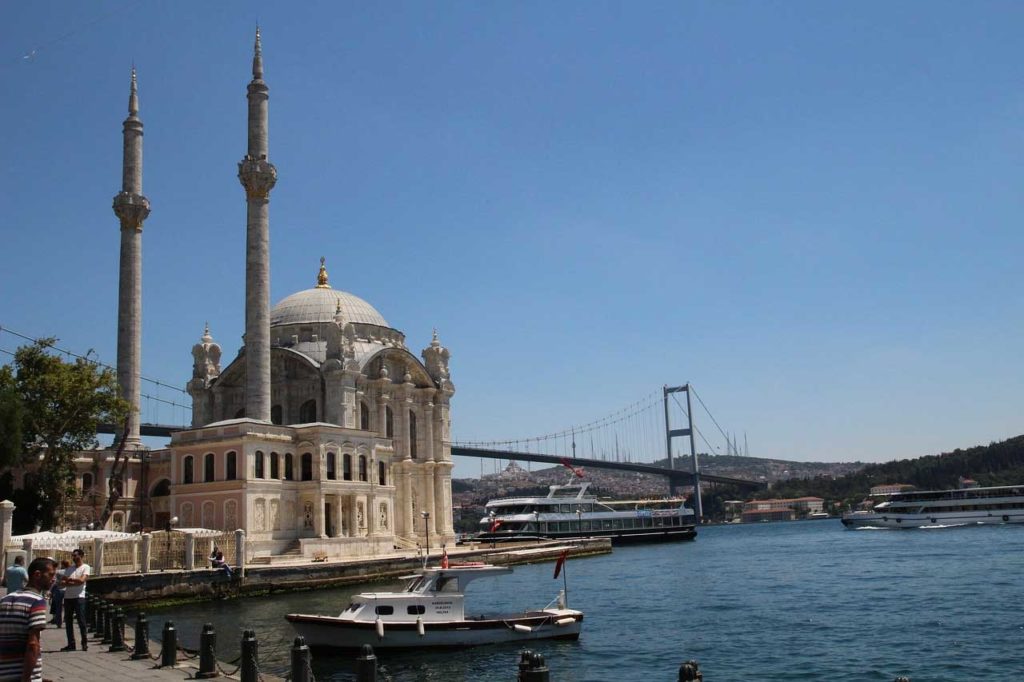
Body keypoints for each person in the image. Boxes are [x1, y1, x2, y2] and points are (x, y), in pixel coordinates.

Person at [0, 556, 57, 682]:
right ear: (37, 574)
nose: (54, 579)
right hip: (23, 674)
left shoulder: (5, 600)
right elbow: (32, 644)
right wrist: (26, 679)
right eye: (51, 575)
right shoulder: (36, 602)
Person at [60, 549, 90, 651]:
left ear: (81, 556)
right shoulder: (69, 569)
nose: (74, 558)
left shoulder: (85, 567)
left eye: (76, 556)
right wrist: (73, 582)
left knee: (81, 620)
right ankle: (71, 644)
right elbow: (62, 582)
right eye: (73, 556)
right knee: (68, 621)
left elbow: (82, 581)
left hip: (79, 597)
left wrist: (70, 580)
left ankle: (84, 643)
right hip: (68, 597)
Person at [49, 560, 71, 627]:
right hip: (67, 590)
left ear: (63, 565)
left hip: (59, 590)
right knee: (68, 607)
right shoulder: (70, 572)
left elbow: (55, 581)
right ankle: (67, 621)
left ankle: (59, 622)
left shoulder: (58, 572)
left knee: (58, 607)